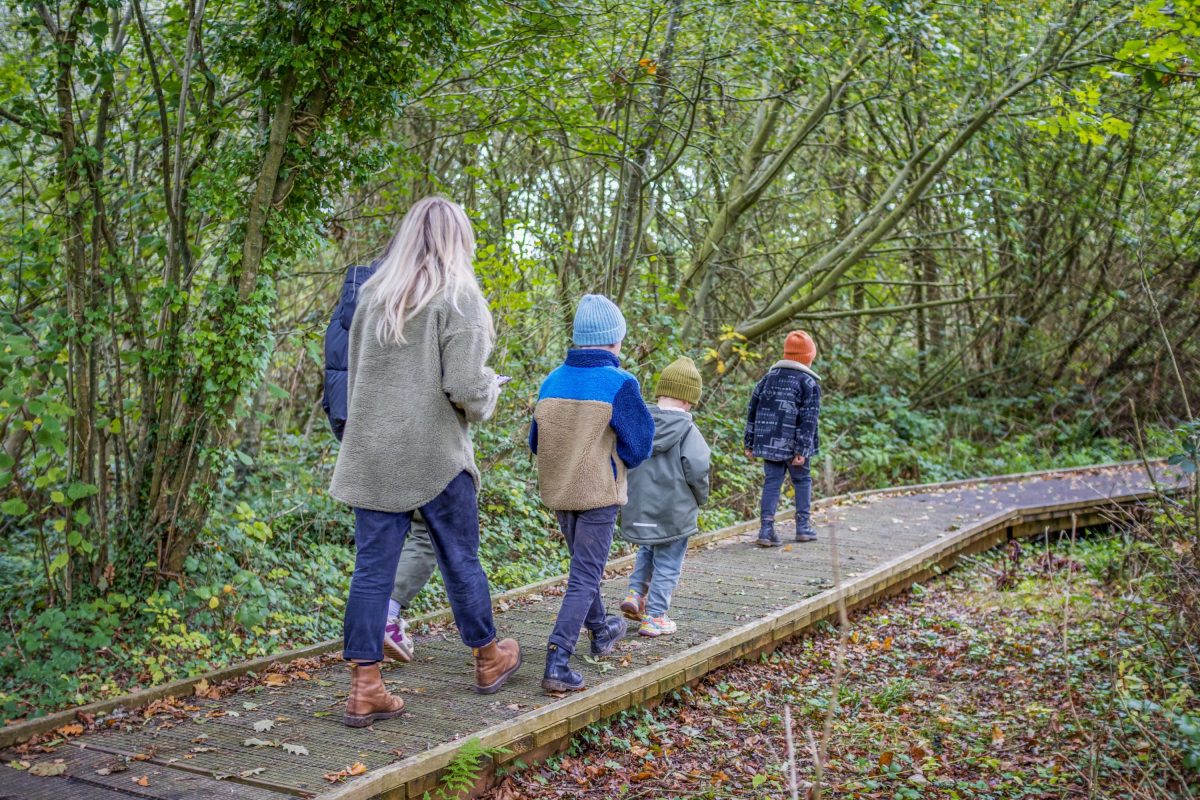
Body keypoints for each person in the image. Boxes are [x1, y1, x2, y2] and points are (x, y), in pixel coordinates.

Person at [329, 197, 521, 728]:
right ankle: (487, 658)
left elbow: (356, 373)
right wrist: (491, 389)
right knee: (461, 559)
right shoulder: (460, 298)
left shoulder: (372, 296)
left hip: (370, 454)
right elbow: (464, 387)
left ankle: (365, 686)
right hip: (435, 455)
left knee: (371, 572)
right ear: (459, 240)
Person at [529, 294, 654, 693]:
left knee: (583, 569)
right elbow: (640, 445)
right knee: (585, 575)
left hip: (559, 490)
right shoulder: (619, 383)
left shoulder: (552, 380)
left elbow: (537, 441)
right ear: (614, 341)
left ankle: (601, 631)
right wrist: (613, 459)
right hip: (598, 491)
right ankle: (557, 659)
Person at [323, 262, 437, 664]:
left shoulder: (342, 321)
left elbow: (333, 387)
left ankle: (363, 667)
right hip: (402, 442)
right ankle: (388, 616)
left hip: (356, 441)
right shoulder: (402, 311)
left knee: (370, 557)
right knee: (428, 533)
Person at [618, 357, 711, 637]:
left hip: (641, 508)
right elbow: (697, 468)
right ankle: (655, 616)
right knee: (669, 562)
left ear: (660, 393)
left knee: (647, 550)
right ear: (688, 401)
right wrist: (701, 497)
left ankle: (635, 595)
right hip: (674, 512)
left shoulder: (641, 425)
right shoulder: (688, 431)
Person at [743, 330, 822, 547]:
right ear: (808, 357)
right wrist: (802, 450)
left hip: (769, 443)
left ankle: (766, 529)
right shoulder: (808, 382)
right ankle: (803, 526)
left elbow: (753, 411)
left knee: (772, 483)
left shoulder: (767, 379)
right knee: (802, 480)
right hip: (795, 445)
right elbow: (809, 419)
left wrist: (749, 442)